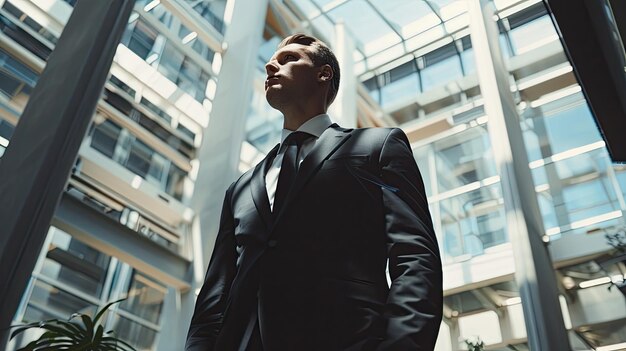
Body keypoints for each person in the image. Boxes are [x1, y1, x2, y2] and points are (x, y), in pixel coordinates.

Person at [185, 33, 442, 351]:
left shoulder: (378, 148)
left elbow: (415, 258)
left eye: (288, 59)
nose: (270, 65)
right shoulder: (240, 189)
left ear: (324, 74)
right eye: (271, 61)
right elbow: (214, 296)